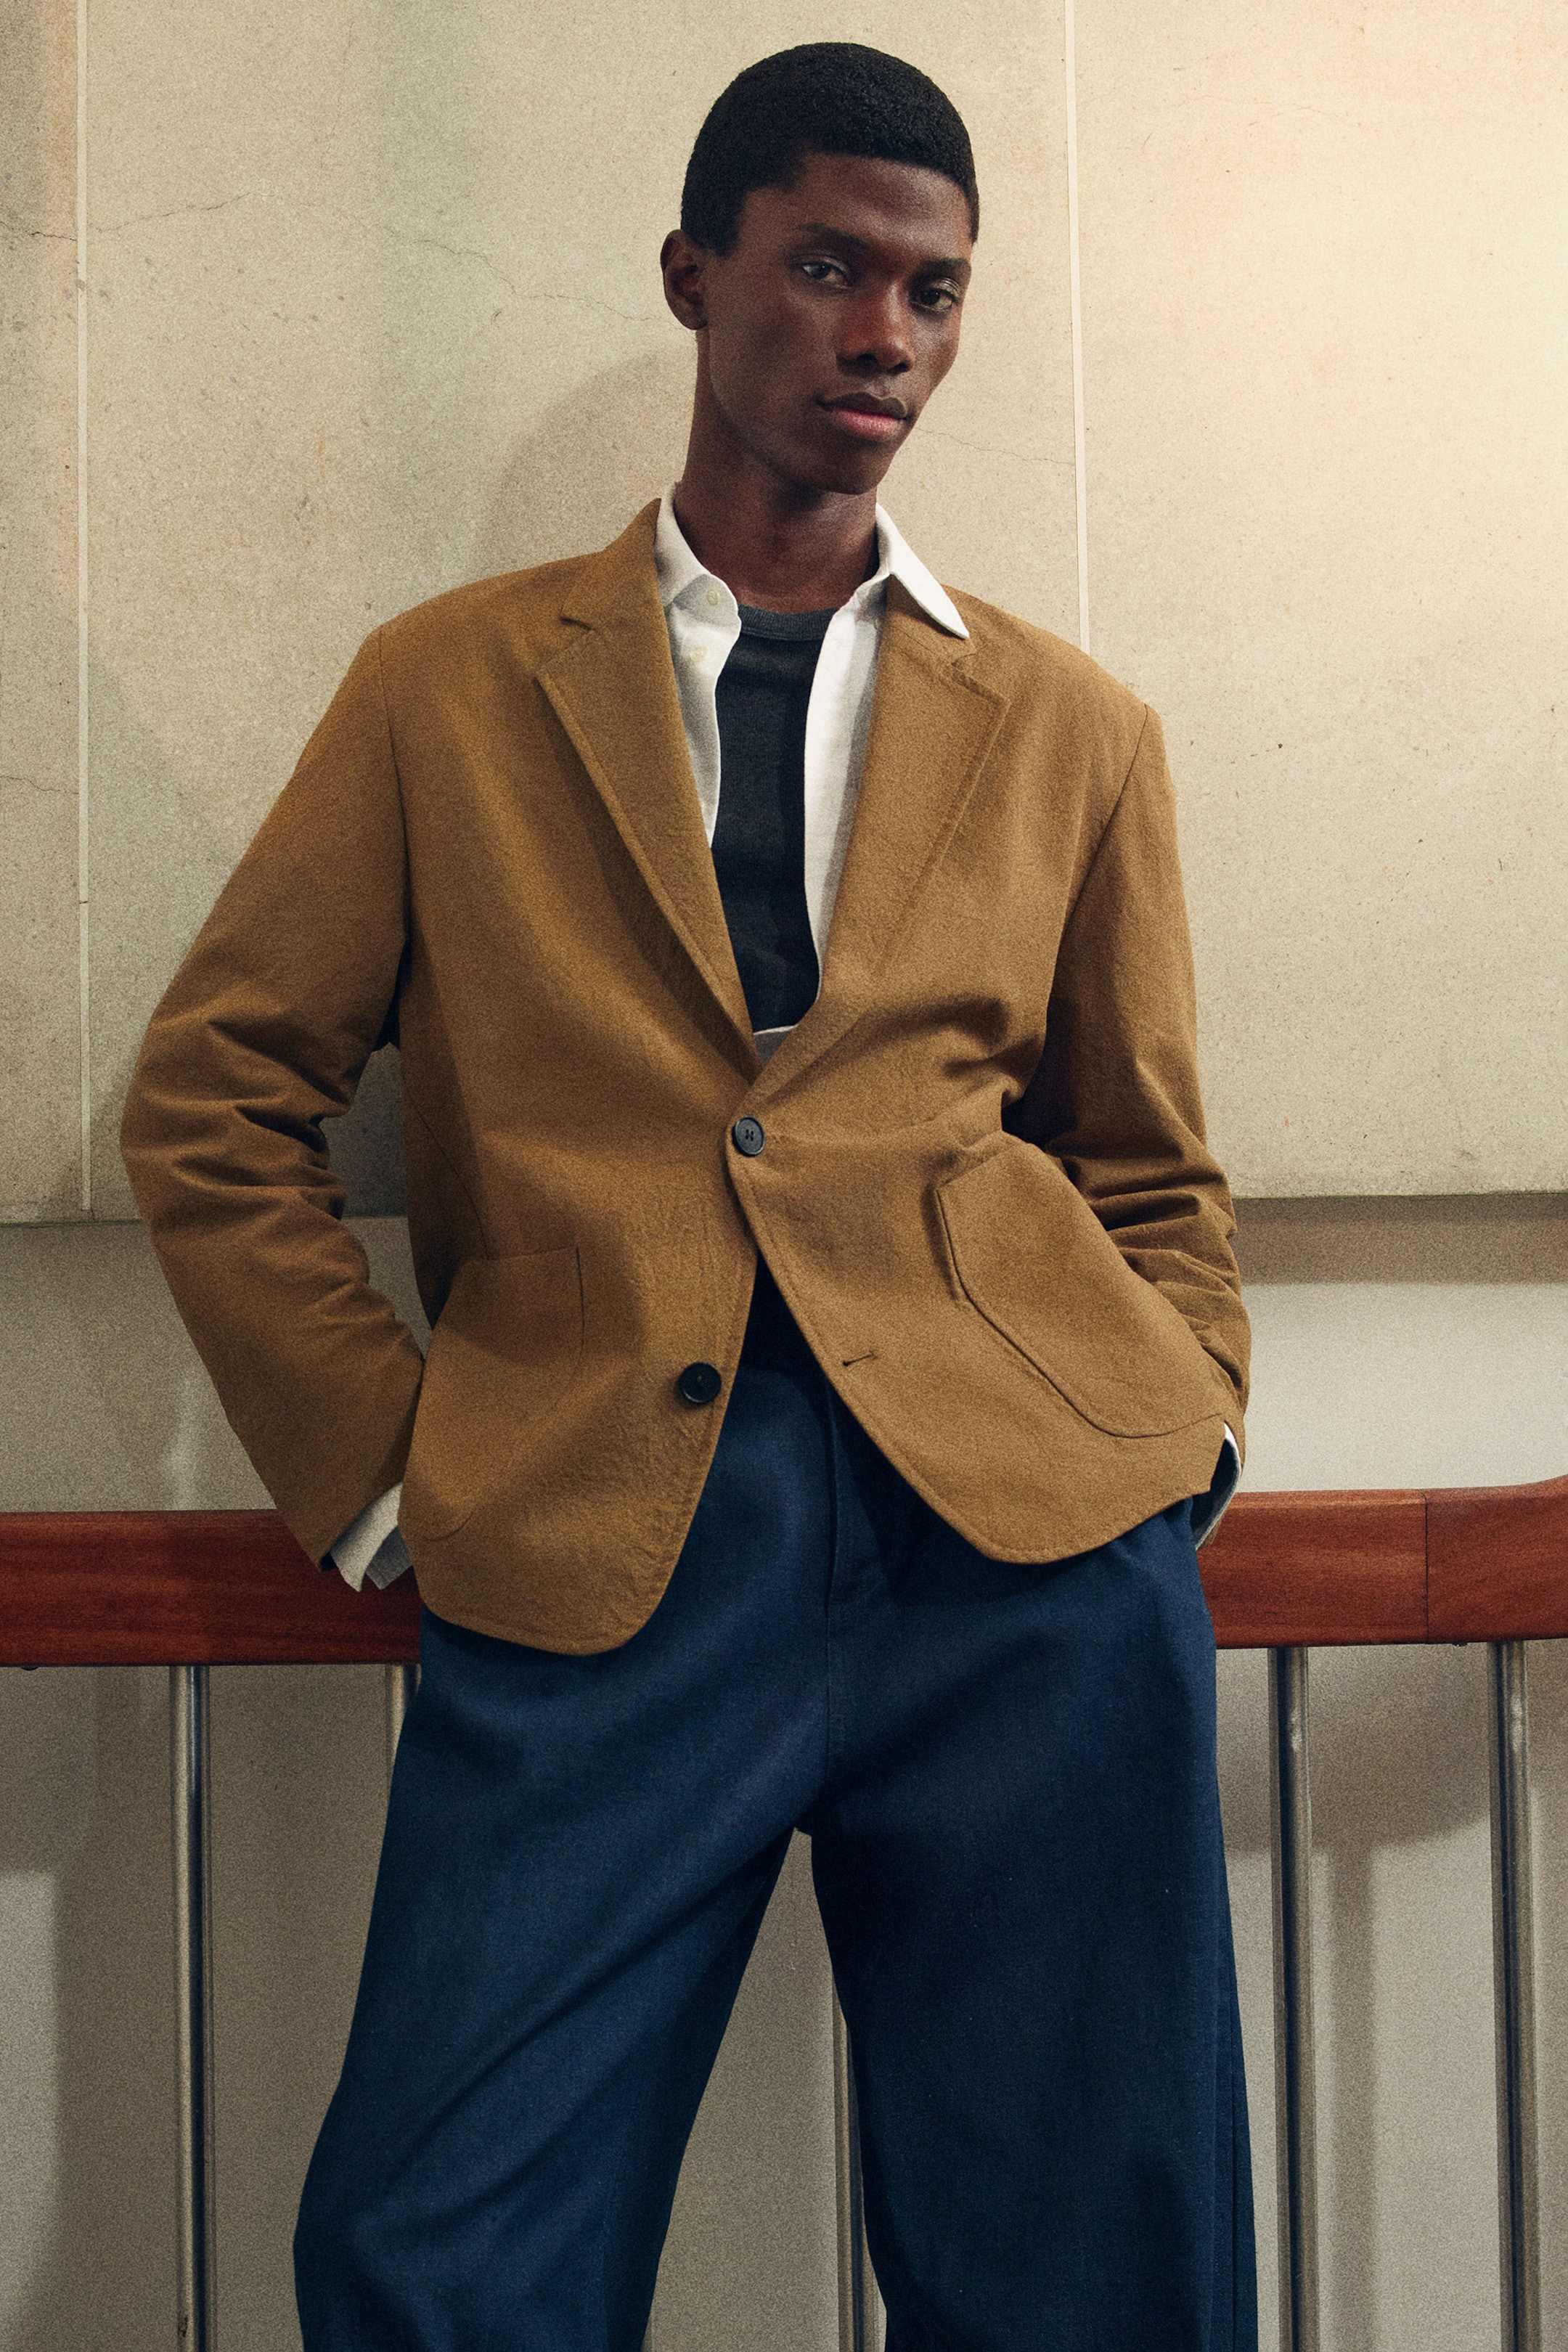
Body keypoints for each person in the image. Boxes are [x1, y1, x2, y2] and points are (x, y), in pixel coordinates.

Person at [121, 41, 1255, 2352]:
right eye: (830, 268)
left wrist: (1182, 1438)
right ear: (696, 272)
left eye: (933, 294)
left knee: (1087, 2261)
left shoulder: (1072, 726)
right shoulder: (448, 690)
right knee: (448, 2252)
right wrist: (386, 1481)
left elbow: (1144, 1163)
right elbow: (216, 1099)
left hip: (1020, 1558)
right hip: (605, 1554)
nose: (883, 340)